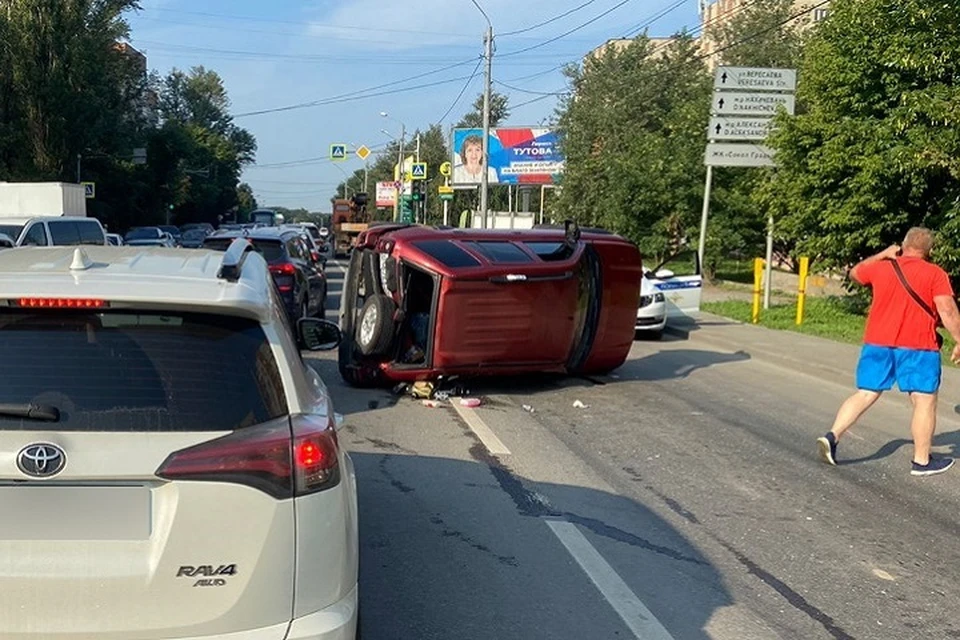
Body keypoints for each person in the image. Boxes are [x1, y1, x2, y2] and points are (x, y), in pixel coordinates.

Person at [817, 228, 960, 476]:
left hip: (877, 343)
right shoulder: (935, 274)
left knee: (866, 393)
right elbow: (946, 310)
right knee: (924, 401)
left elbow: (854, 273)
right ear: (930, 250)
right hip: (918, 347)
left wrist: (882, 254)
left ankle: (833, 436)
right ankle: (922, 461)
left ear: (902, 246)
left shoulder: (881, 267)